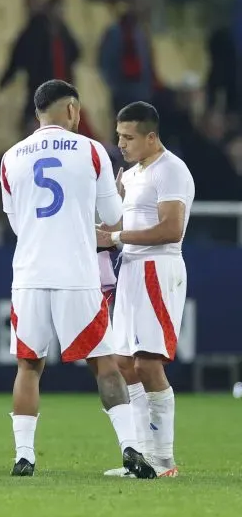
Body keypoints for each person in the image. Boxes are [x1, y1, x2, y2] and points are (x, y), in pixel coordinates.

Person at [0, 79, 155, 478]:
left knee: (29, 366)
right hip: (78, 272)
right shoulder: (90, 150)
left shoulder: (11, 157)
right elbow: (113, 219)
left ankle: (24, 455)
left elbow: (17, 222)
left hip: (30, 273)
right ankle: (131, 447)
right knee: (104, 364)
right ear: (72, 110)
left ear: (37, 113)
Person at [97, 101, 195, 478]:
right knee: (124, 364)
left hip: (159, 267)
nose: (121, 143)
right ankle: (141, 459)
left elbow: (172, 229)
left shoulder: (171, 171)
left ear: (151, 137)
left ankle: (164, 460)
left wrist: (117, 236)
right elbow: (123, 221)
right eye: (119, 136)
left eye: (129, 137)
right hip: (132, 269)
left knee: (149, 363)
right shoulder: (134, 173)